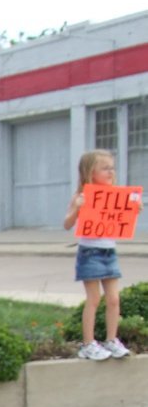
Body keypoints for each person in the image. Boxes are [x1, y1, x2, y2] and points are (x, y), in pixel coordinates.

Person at [63, 150, 136, 360]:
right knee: (93, 299)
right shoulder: (81, 196)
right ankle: (88, 343)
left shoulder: (115, 195)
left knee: (114, 299)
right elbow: (67, 224)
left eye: (112, 167)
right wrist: (77, 209)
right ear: (89, 172)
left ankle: (111, 339)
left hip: (109, 251)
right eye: (105, 168)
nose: (111, 171)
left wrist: (133, 209)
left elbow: (122, 218)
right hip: (90, 252)